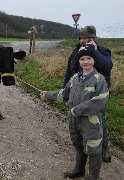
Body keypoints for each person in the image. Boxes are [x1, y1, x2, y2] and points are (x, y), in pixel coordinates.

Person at [41, 44, 109, 179]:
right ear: (79, 61)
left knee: (94, 148)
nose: (86, 62)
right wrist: (48, 95)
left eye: (89, 58)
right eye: (82, 59)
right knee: (78, 143)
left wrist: (77, 110)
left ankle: (93, 176)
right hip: (74, 120)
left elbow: (100, 101)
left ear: (94, 60)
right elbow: (64, 94)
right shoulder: (74, 78)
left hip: (91, 122)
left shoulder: (99, 79)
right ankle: (79, 169)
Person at [63, 25, 113, 163]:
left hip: (96, 93)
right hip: (77, 92)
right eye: (81, 38)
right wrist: (65, 90)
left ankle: (104, 149)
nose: (83, 40)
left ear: (93, 39)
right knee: (80, 118)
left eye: (86, 38)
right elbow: (69, 71)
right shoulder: (75, 52)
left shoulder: (102, 51)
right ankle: (84, 146)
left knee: (99, 119)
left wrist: (95, 52)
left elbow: (107, 66)